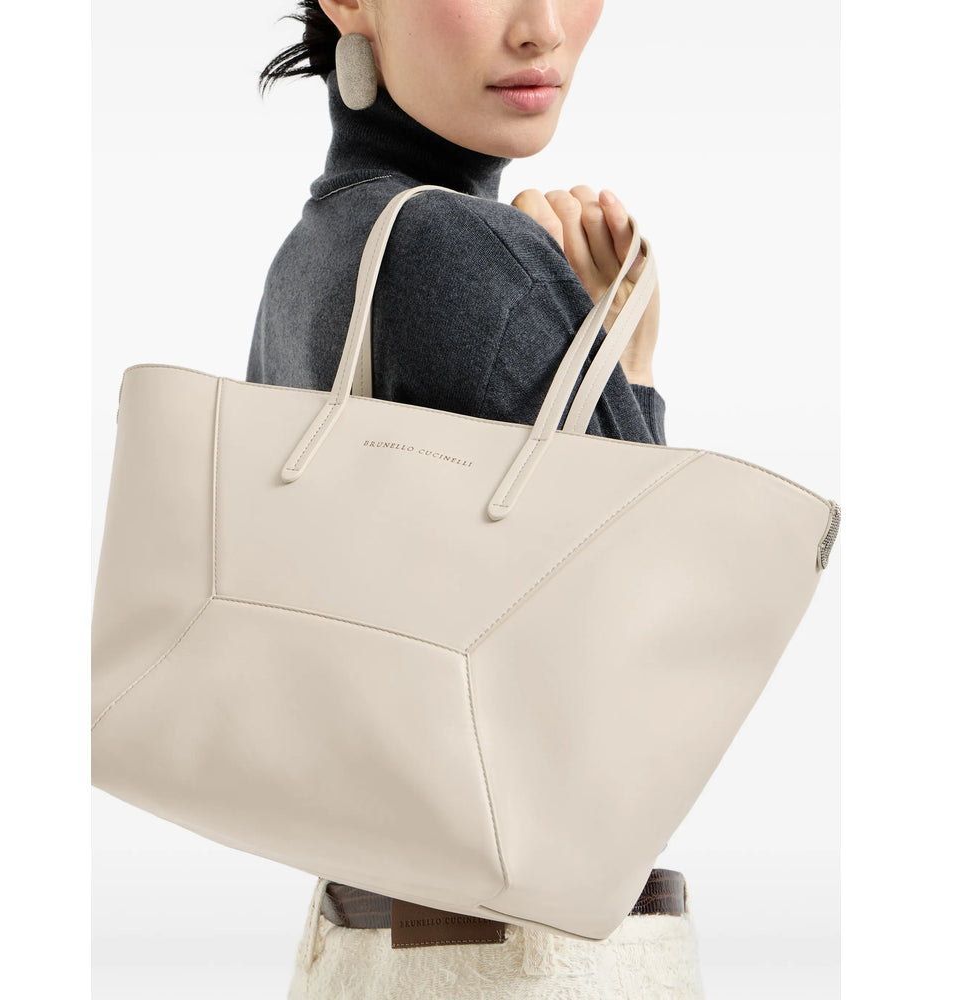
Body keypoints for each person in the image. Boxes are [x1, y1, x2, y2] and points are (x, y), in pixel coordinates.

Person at [247, 2, 704, 997]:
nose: (541, 27)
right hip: (526, 963)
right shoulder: (462, 250)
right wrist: (628, 370)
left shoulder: (314, 254)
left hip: (360, 944)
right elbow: (652, 684)